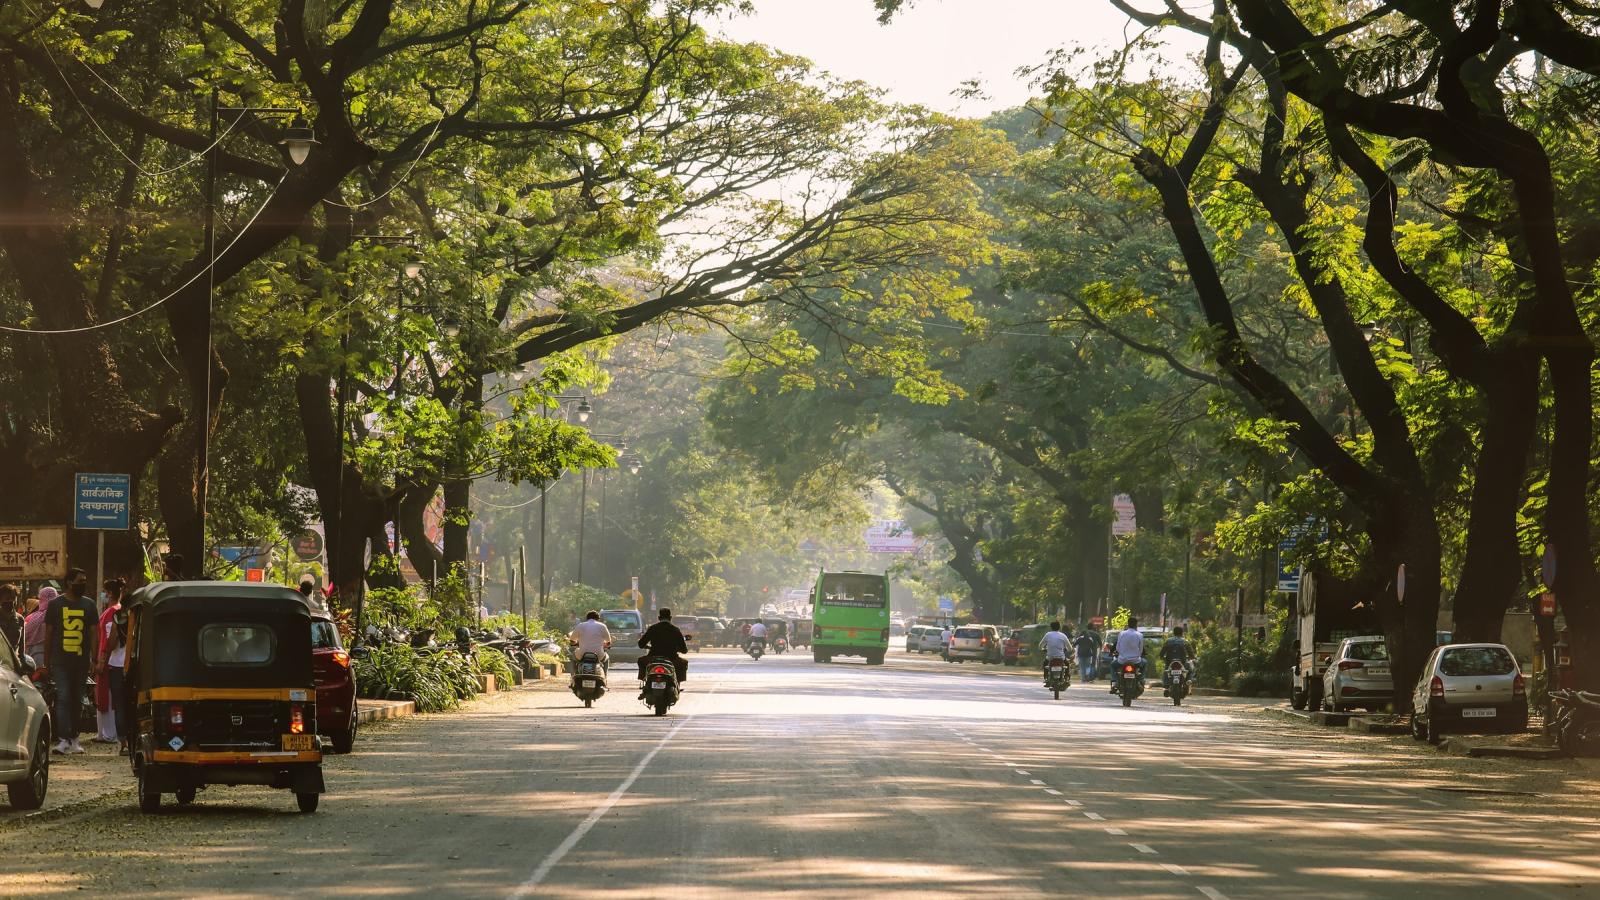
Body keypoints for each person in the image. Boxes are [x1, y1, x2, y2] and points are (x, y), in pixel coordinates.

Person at [42, 568, 98, 754]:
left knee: (77, 700)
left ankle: (74, 738)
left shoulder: (89, 605)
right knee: (64, 697)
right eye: (79, 581)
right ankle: (63, 739)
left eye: (84, 581)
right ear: (68, 583)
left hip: (81, 662)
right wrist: (46, 660)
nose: (83, 584)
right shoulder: (55, 605)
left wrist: (94, 658)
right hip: (60, 661)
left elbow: (93, 633)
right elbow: (49, 633)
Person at [92, 578, 126, 744]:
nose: (103, 595)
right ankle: (106, 733)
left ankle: (109, 733)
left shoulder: (112, 612)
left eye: (104, 592)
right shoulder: (115, 610)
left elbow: (108, 639)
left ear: (110, 593)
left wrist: (101, 660)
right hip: (110, 660)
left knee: (109, 698)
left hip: (109, 661)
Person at [638, 608, 689, 686]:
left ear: (659, 618)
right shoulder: (675, 630)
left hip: (653, 658)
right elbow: (684, 650)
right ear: (670, 618)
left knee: (641, 661)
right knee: (684, 663)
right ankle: (677, 685)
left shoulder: (652, 628)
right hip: (672, 659)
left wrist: (648, 646)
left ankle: (645, 683)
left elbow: (641, 644)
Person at [1112, 617, 1147, 693]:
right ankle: (1141, 680)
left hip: (1122, 660)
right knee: (1145, 663)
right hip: (1136, 661)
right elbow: (1141, 650)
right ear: (1136, 625)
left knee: (1112, 665)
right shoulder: (1140, 635)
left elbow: (1117, 647)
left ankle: (1114, 682)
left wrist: (1121, 653)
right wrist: (1137, 655)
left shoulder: (1122, 633)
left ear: (1128, 624)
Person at [23, 585, 57, 661]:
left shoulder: (34, 617)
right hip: (56, 654)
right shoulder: (60, 613)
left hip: (36, 653)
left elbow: (25, 635)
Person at [0, 584, 22, 655]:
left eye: (13, 598)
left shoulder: (20, 618)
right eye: (7, 598)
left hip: (14, 660)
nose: (11, 601)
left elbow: (22, 645)